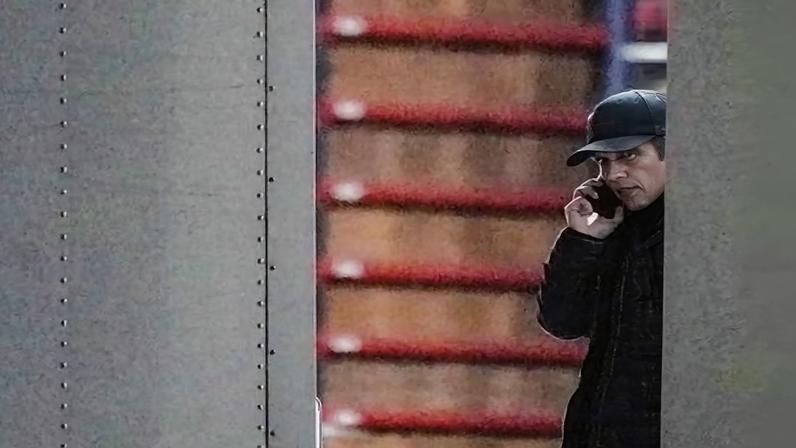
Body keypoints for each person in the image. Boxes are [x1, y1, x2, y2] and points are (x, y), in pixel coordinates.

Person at [537, 89, 666, 447]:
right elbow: (562, 323)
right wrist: (584, 241)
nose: (614, 174)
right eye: (603, 162)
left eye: (628, 155)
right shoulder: (617, 230)